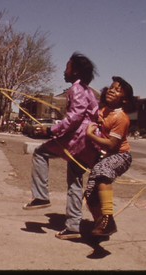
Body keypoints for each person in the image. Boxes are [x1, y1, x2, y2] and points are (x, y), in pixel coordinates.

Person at [22, 52, 99, 240]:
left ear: (76, 72)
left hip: (77, 138)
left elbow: (75, 117)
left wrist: (51, 131)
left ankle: (41, 196)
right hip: (87, 141)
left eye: (67, 67)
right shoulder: (89, 91)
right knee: (75, 181)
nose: (64, 71)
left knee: (41, 153)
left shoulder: (77, 89)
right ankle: (73, 226)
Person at [84, 76, 135, 237]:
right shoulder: (104, 111)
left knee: (102, 170)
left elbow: (112, 145)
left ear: (125, 100)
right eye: (111, 87)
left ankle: (108, 219)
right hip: (107, 156)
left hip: (121, 155)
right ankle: (100, 226)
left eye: (118, 90)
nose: (112, 91)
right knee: (91, 194)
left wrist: (90, 135)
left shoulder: (121, 118)